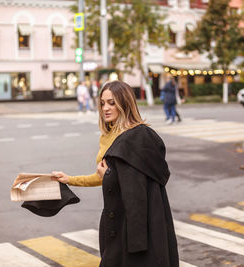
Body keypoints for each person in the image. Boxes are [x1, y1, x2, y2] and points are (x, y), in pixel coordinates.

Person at [52, 80, 179, 267]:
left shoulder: (138, 137)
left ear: (125, 103)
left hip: (135, 218)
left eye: (112, 102)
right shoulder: (107, 136)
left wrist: (109, 176)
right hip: (115, 215)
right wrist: (70, 179)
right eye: (102, 103)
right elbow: (103, 175)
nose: (105, 108)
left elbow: (136, 187)